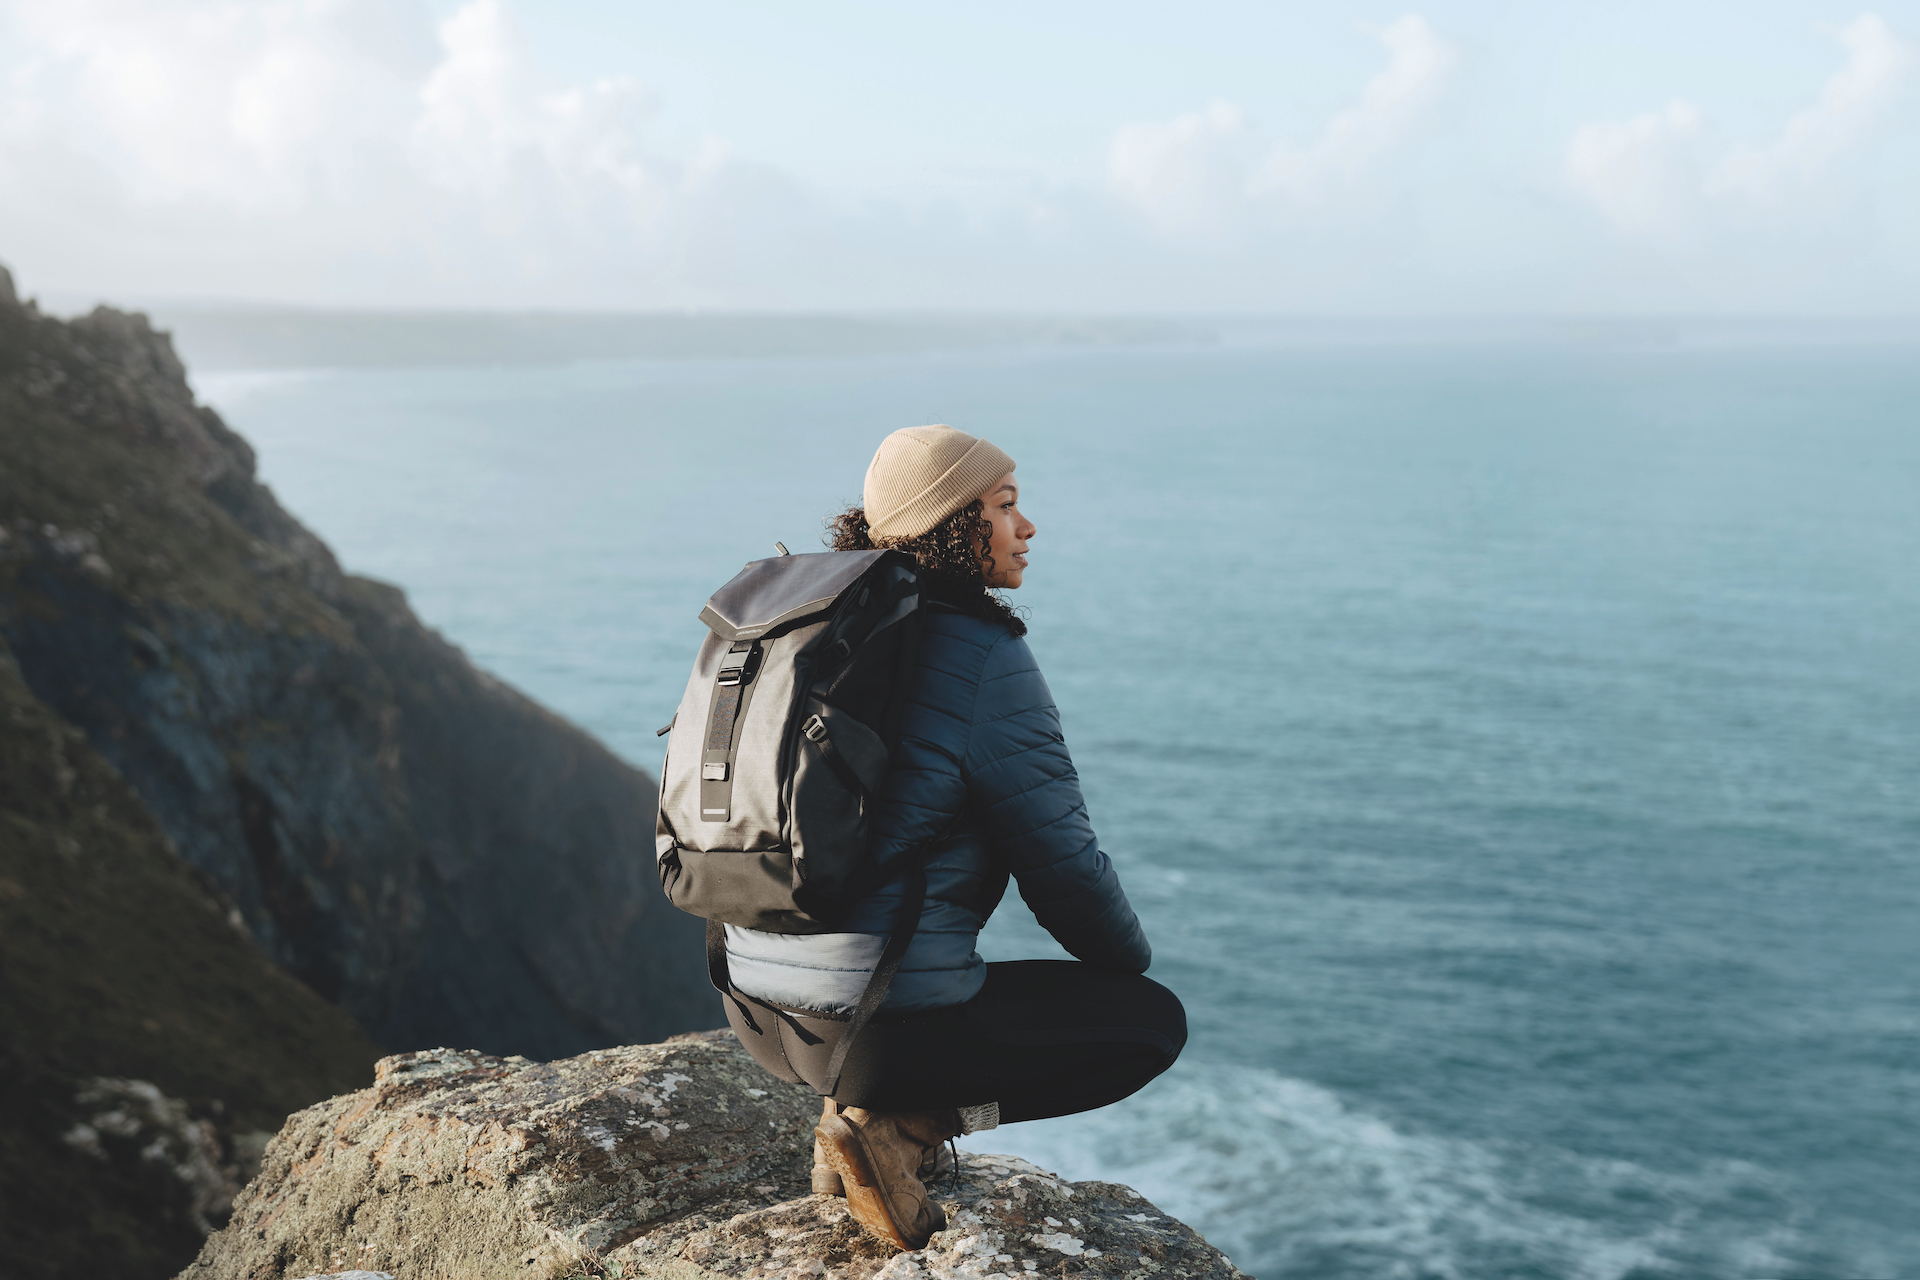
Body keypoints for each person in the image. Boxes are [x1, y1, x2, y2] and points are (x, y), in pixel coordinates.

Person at [720, 424, 1186, 1251]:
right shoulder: (979, 655)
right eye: (1006, 507)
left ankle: (849, 1126)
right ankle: (910, 1125)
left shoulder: (811, 627)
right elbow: (1067, 871)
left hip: (755, 1011)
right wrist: (1125, 963)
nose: (1027, 527)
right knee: (1146, 1027)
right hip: (870, 1029)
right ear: (955, 526)